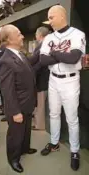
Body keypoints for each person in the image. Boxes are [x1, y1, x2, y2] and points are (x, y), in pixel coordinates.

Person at [39, 5, 86, 171]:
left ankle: (74, 151)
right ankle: (54, 143)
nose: (49, 21)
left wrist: (53, 54)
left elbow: (73, 58)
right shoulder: (48, 37)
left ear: (61, 16)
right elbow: (42, 61)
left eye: (51, 17)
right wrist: (60, 56)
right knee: (53, 114)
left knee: (72, 118)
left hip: (70, 81)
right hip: (53, 80)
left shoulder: (78, 34)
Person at [0, 25, 37, 173]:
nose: (22, 37)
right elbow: (7, 90)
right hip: (17, 107)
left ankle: (25, 148)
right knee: (15, 134)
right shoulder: (5, 60)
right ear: (9, 39)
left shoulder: (19, 54)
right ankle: (13, 158)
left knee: (26, 130)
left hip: (27, 103)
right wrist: (15, 112)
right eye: (19, 34)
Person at [32, 26, 50, 130]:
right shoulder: (46, 44)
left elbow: (39, 62)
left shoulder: (43, 45)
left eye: (36, 34)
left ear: (39, 35)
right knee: (40, 103)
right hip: (44, 78)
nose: (35, 36)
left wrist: (30, 70)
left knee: (41, 103)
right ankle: (39, 123)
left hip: (42, 79)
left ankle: (40, 125)